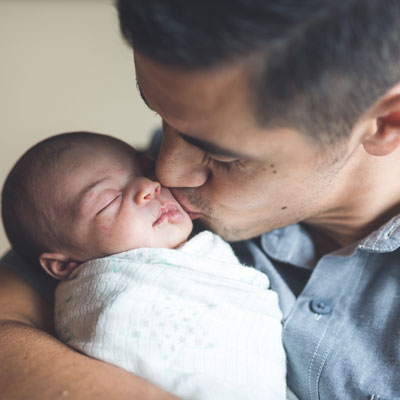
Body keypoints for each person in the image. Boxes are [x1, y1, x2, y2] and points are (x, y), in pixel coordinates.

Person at [1, 0, 400, 398]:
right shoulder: (150, 196)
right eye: (161, 115)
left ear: (384, 122)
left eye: (221, 155)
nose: (165, 173)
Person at [1, 131, 289, 400]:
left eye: (146, 172)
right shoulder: (92, 289)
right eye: (109, 201)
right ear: (63, 266)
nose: (151, 186)